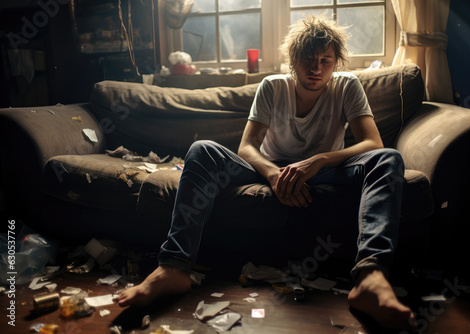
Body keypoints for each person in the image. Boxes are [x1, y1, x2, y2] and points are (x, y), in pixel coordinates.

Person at [117, 15, 416, 331]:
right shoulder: (272, 86)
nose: (316, 68)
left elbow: (373, 143)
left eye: (325, 61)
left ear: (336, 61)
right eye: (308, 60)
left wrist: (319, 160)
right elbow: (247, 148)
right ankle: (173, 268)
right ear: (293, 59)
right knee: (202, 149)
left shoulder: (347, 86)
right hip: (267, 170)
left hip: (323, 172)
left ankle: (371, 276)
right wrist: (274, 175)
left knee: (388, 159)